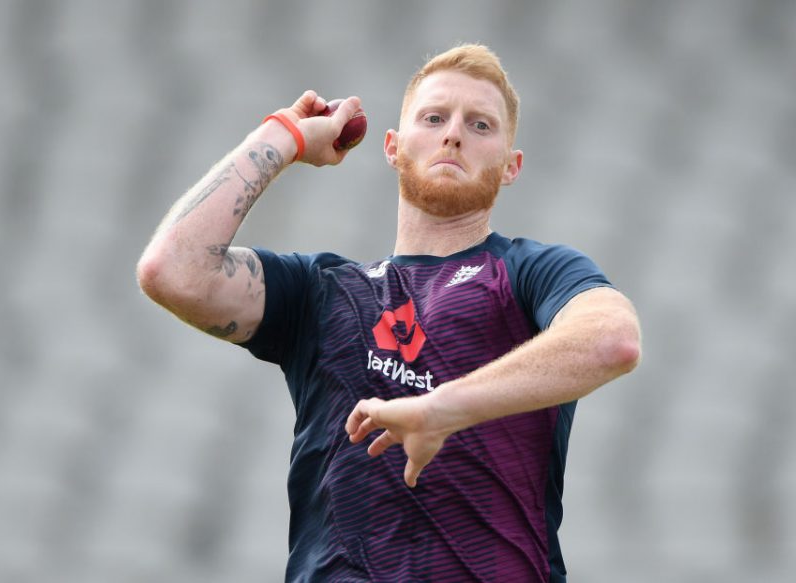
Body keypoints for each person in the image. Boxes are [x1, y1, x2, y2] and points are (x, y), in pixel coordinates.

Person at [137, 43, 641, 582]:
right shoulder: (322, 291)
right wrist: (282, 134)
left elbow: (612, 339)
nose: (453, 134)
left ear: (511, 166)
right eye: (434, 117)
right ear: (393, 147)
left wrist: (442, 408)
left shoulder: (530, 271)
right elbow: (172, 271)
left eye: (480, 125)